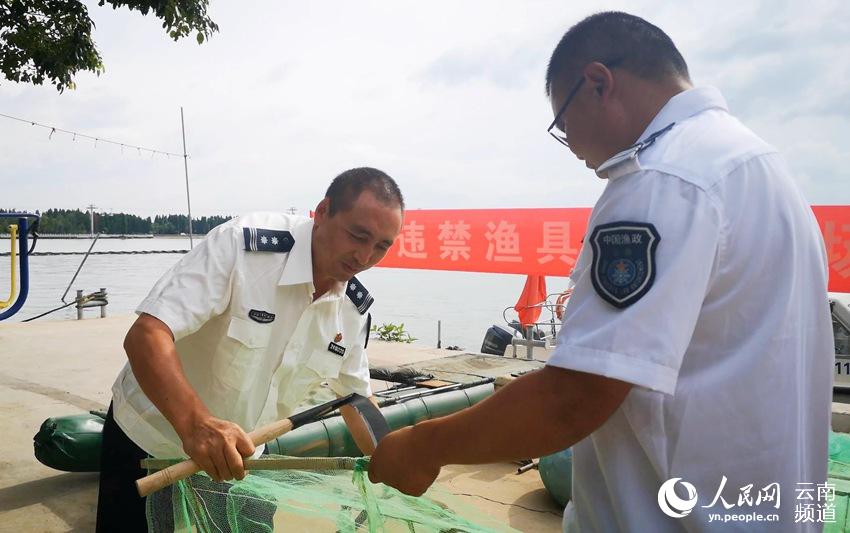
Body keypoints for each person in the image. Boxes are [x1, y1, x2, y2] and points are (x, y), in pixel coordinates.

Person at [369, 12, 832, 532]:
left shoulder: (660, 180)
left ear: (597, 83)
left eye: (565, 126)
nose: (574, 150)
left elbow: (575, 397)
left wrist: (425, 445)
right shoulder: (759, 167)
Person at [96, 167, 404, 532]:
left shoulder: (352, 309)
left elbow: (355, 398)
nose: (365, 256)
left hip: (242, 459)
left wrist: (392, 456)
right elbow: (147, 335)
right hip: (151, 438)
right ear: (322, 212)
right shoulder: (242, 249)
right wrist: (197, 425)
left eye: (382, 246)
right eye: (358, 235)